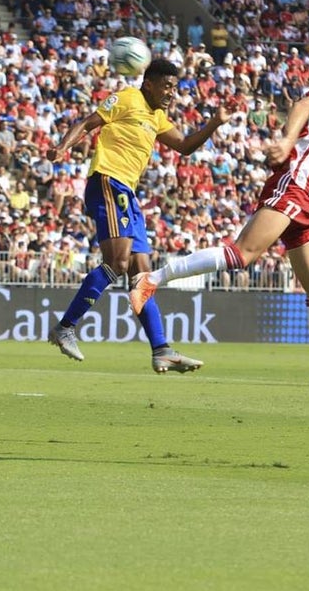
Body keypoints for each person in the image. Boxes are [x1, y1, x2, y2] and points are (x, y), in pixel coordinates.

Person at [130, 52, 309, 403]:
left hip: (306, 200)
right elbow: (303, 106)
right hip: (293, 189)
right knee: (241, 255)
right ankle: (152, 279)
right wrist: (287, 139)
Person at [47, 58, 225, 374]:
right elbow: (89, 123)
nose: (172, 93)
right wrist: (63, 147)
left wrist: (214, 123)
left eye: (175, 87)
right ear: (149, 83)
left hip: (128, 193)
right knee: (117, 261)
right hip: (107, 179)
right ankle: (65, 326)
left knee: (141, 276)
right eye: (167, 86)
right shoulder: (128, 98)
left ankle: (161, 350)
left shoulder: (157, 116)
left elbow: (184, 146)